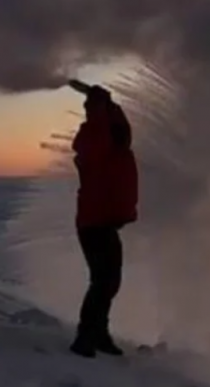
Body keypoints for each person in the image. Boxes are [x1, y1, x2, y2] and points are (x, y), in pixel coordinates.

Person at [68, 83, 139, 358]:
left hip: (106, 221)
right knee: (102, 281)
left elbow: (121, 130)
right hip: (94, 222)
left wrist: (110, 106)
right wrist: (98, 106)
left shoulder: (115, 144)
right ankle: (86, 336)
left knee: (109, 280)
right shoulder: (93, 142)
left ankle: (98, 333)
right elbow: (99, 134)